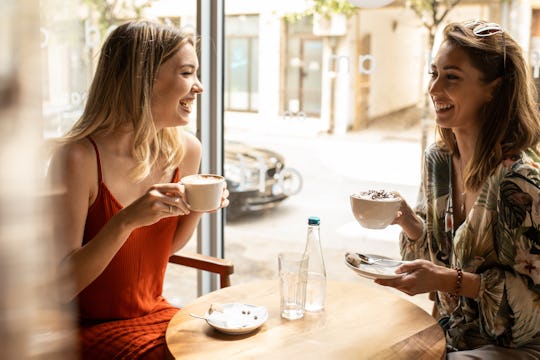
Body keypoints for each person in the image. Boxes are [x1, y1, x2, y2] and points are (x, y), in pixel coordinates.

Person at [47, 20, 229, 359]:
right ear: (143, 80)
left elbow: (165, 247)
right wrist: (124, 221)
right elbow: (62, 287)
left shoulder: (186, 150)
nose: (199, 87)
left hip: (155, 313)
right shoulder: (78, 158)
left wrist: (201, 205)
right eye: (187, 73)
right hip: (86, 328)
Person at [376, 20, 540, 358]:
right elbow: (432, 265)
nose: (434, 89)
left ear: (493, 88)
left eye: (451, 77)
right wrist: (407, 220)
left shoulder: (518, 184)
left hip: (513, 347)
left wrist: (449, 281)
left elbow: (531, 314)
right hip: (454, 339)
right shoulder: (437, 162)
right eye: (433, 73)